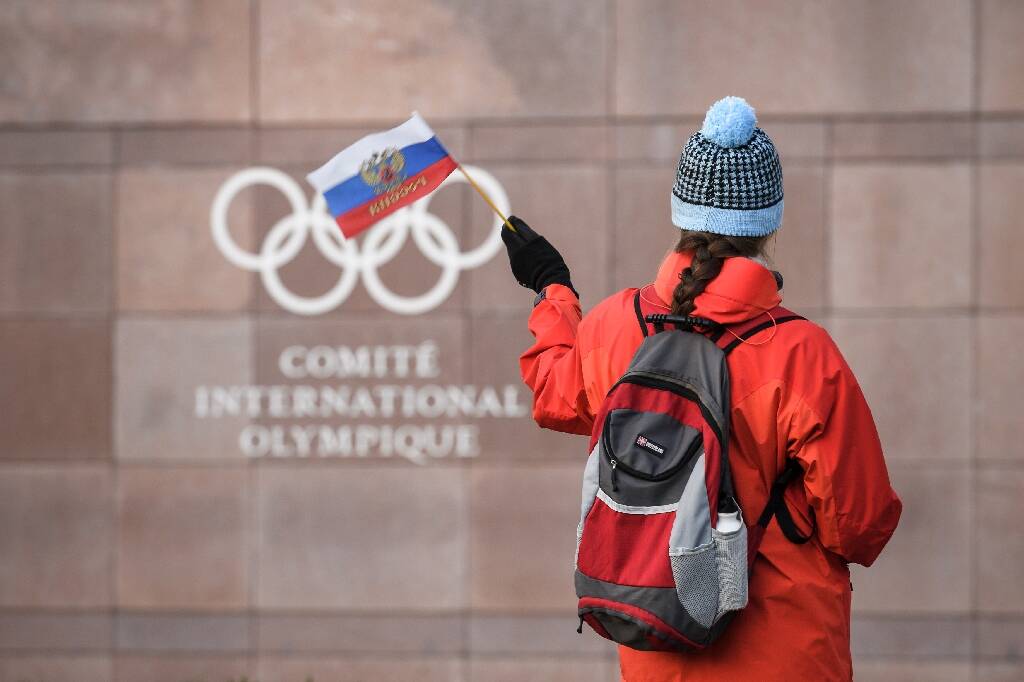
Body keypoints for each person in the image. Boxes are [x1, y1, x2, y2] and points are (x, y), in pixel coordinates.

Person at [500, 96, 902, 681]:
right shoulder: (801, 353)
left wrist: (553, 290)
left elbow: (554, 393)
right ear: (768, 221)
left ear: (681, 211)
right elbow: (859, 522)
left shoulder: (616, 324)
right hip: (786, 649)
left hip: (659, 641)